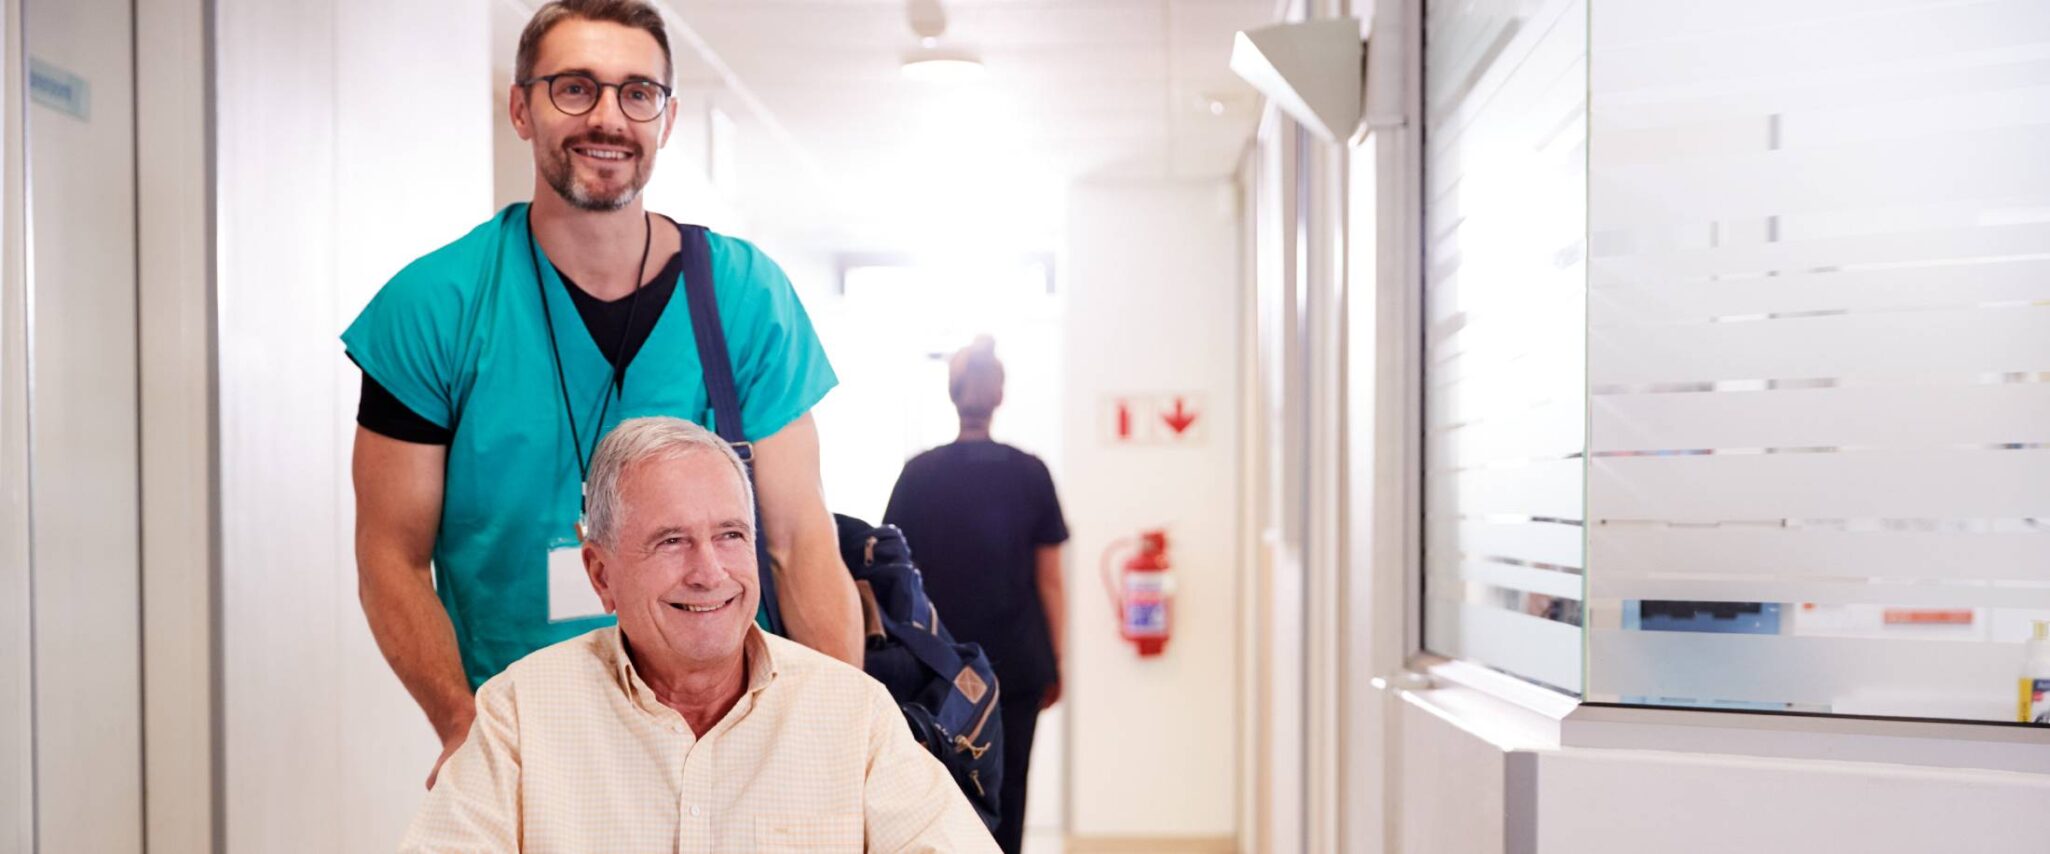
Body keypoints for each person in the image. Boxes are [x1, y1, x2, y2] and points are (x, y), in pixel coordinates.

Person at [344, 0, 860, 790]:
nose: (608, 118)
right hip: (528, 744)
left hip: (728, 748)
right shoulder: (435, 307)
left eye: (637, 93)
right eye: (574, 89)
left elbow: (799, 539)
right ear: (521, 107)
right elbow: (390, 553)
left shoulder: (742, 297)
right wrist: (463, 726)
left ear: (668, 117)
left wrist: (831, 738)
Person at [401, 417, 997, 852]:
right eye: (671, 541)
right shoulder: (518, 714)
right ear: (601, 574)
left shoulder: (853, 712)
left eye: (731, 535)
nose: (710, 572)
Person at [883, 337, 1068, 854]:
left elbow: (890, 575)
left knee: (941, 795)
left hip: (936, 670)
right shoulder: (1031, 473)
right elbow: (1050, 580)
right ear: (1000, 395)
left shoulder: (917, 475)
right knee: (1009, 796)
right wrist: (1057, 660)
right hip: (1017, 667)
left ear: (952, 393)